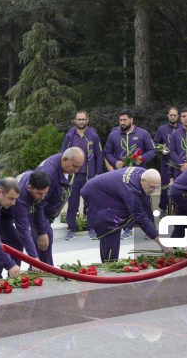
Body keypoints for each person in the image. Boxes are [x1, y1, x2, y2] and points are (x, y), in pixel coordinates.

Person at [81, 167, 174, 262]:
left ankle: (108, 263)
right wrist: (160, 241)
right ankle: (109, 264)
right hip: (95, 192)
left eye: (156, 187)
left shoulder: (142, 173)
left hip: (108, 191)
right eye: (151, 187)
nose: (153, 191)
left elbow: (145, 207)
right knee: (112, 224)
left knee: (118, 218)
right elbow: (140, 217)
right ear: (143, 181)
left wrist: (154, 231)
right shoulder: (131, 191)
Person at [103, 109, 155, 239]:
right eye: (120, 120)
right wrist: (115, 163)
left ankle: (151, 229)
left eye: (125, 120)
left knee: (144, 202)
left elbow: (152, 151)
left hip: (139, 175)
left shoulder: (143, 133)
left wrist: (142, 159)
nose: (122, 122)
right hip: (122, 174)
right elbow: (107, 152)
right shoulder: (113, 135)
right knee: (124, 201)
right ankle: (127, 229)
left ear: (131, 120)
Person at [34, 147, 85, 265]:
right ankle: (46, 272)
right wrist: (42, 231)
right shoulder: (48, 173)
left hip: (47, 213)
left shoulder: (67, 168)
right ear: (65, 159)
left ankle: (41, 271)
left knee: (45, 241)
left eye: (79, 166)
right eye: (75, 166)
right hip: (37, 211)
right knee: (45, 239)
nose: (77, 170)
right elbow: (38, 204)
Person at [0, 171, 49, 277]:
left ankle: (13, 275)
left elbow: (39, 208)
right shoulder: (20, 200)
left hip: (10, 210)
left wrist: (42, 231)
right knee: (4, 245)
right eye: (39, 193)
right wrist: (34, 258)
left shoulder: (35, 178)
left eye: (45, 193)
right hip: (1, 215)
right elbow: (23, 230)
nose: (42, 197)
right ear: (29, 188)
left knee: (15, 243)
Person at [61, 111, 104, 240]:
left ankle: (92, 228)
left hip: (89, 175)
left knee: (91, 203)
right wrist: (64, 173)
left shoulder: (93, 136)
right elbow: (62, 155)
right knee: (72, 203)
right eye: (78, 119)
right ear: (74, 120)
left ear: (87, 119)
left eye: (83, 119)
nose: (81, 122)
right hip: (73, 175)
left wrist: (99, 174)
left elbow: (99, 155)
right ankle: (71, 229)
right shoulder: (69, 136)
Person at [154, 107, 180, 217]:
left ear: (178, 116)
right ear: (167, 115)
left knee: (180, 186)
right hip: (166, 162)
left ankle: (180, 208)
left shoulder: (182, 129)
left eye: (175, 115)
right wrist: (162, 150)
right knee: (165, 186)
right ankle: (163, 208)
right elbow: (155, 144)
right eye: (171, 115)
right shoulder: (162, 129)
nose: (173, 117)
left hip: (179, 163)